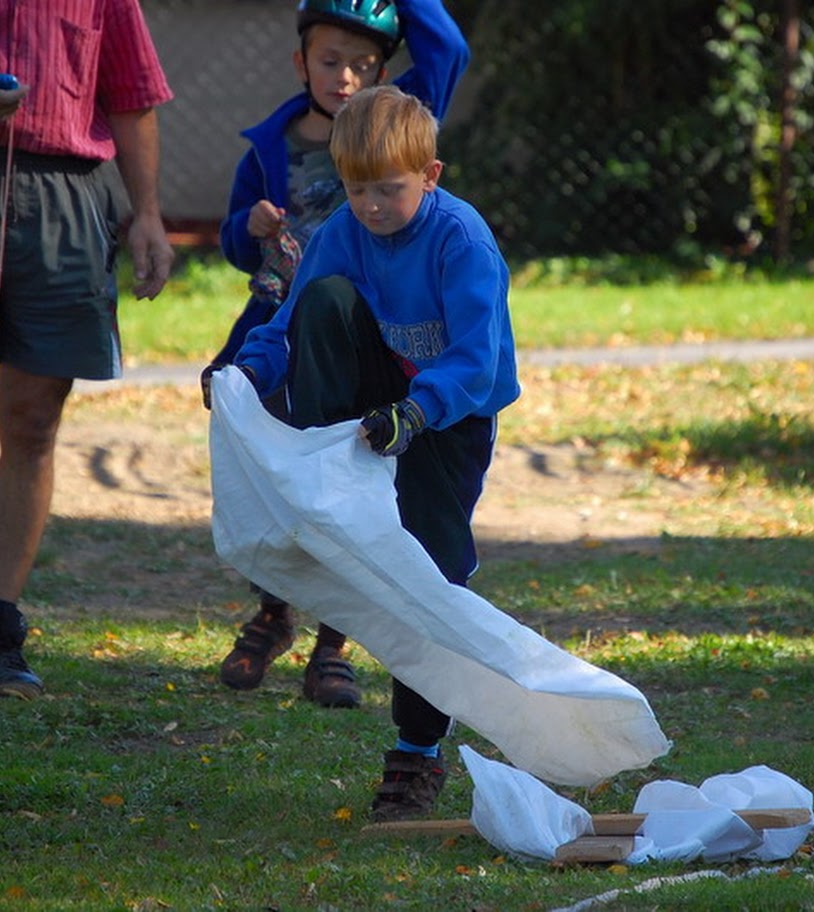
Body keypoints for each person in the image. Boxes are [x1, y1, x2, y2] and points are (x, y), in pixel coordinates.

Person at [224, 84, 520, 821]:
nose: (373, 207)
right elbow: (290, 323)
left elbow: (475, 362)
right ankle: (334, 489)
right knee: (324, 299)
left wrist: (416, 414)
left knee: (432, 574)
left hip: (447, 417)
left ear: (431, 175)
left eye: (389, 190)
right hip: (369, 409)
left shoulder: (462, 241)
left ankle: (418, 752)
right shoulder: (342, 234)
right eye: (358, 191)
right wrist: (245, 373)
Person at [206, 0, 470, 708]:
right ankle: (272, 611)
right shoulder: (272, 144)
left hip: (370, 345)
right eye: (330, 61)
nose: (346, 77)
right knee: (279, 473)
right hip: (285, 327)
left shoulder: (395, 130)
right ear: (300, 64)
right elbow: (235, 246)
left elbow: (446, 50)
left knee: (348, 475)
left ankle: (334, 639)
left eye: (364, 65)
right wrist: (247, 226)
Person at [0, 1, 175, 700]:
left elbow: (132, 97)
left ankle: (2, 623)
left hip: (61, 198)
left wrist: (150, 215)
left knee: (33, 420)